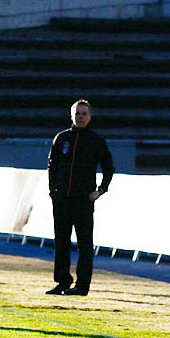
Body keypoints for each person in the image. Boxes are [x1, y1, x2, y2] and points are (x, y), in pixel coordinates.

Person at [46, 99, 114, 296]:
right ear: (71, 116)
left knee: (84, 244)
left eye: (84, 114)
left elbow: (108, 167)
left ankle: (82, 285)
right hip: (62, 199)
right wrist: (53, 192)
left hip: (83, 200)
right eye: (77, 113)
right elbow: (53, 166)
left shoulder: (96, 140)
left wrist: (100, 190)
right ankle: (62, 281)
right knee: (61, 241)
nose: (81, 117)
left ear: (90, 116)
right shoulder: (61, 138)